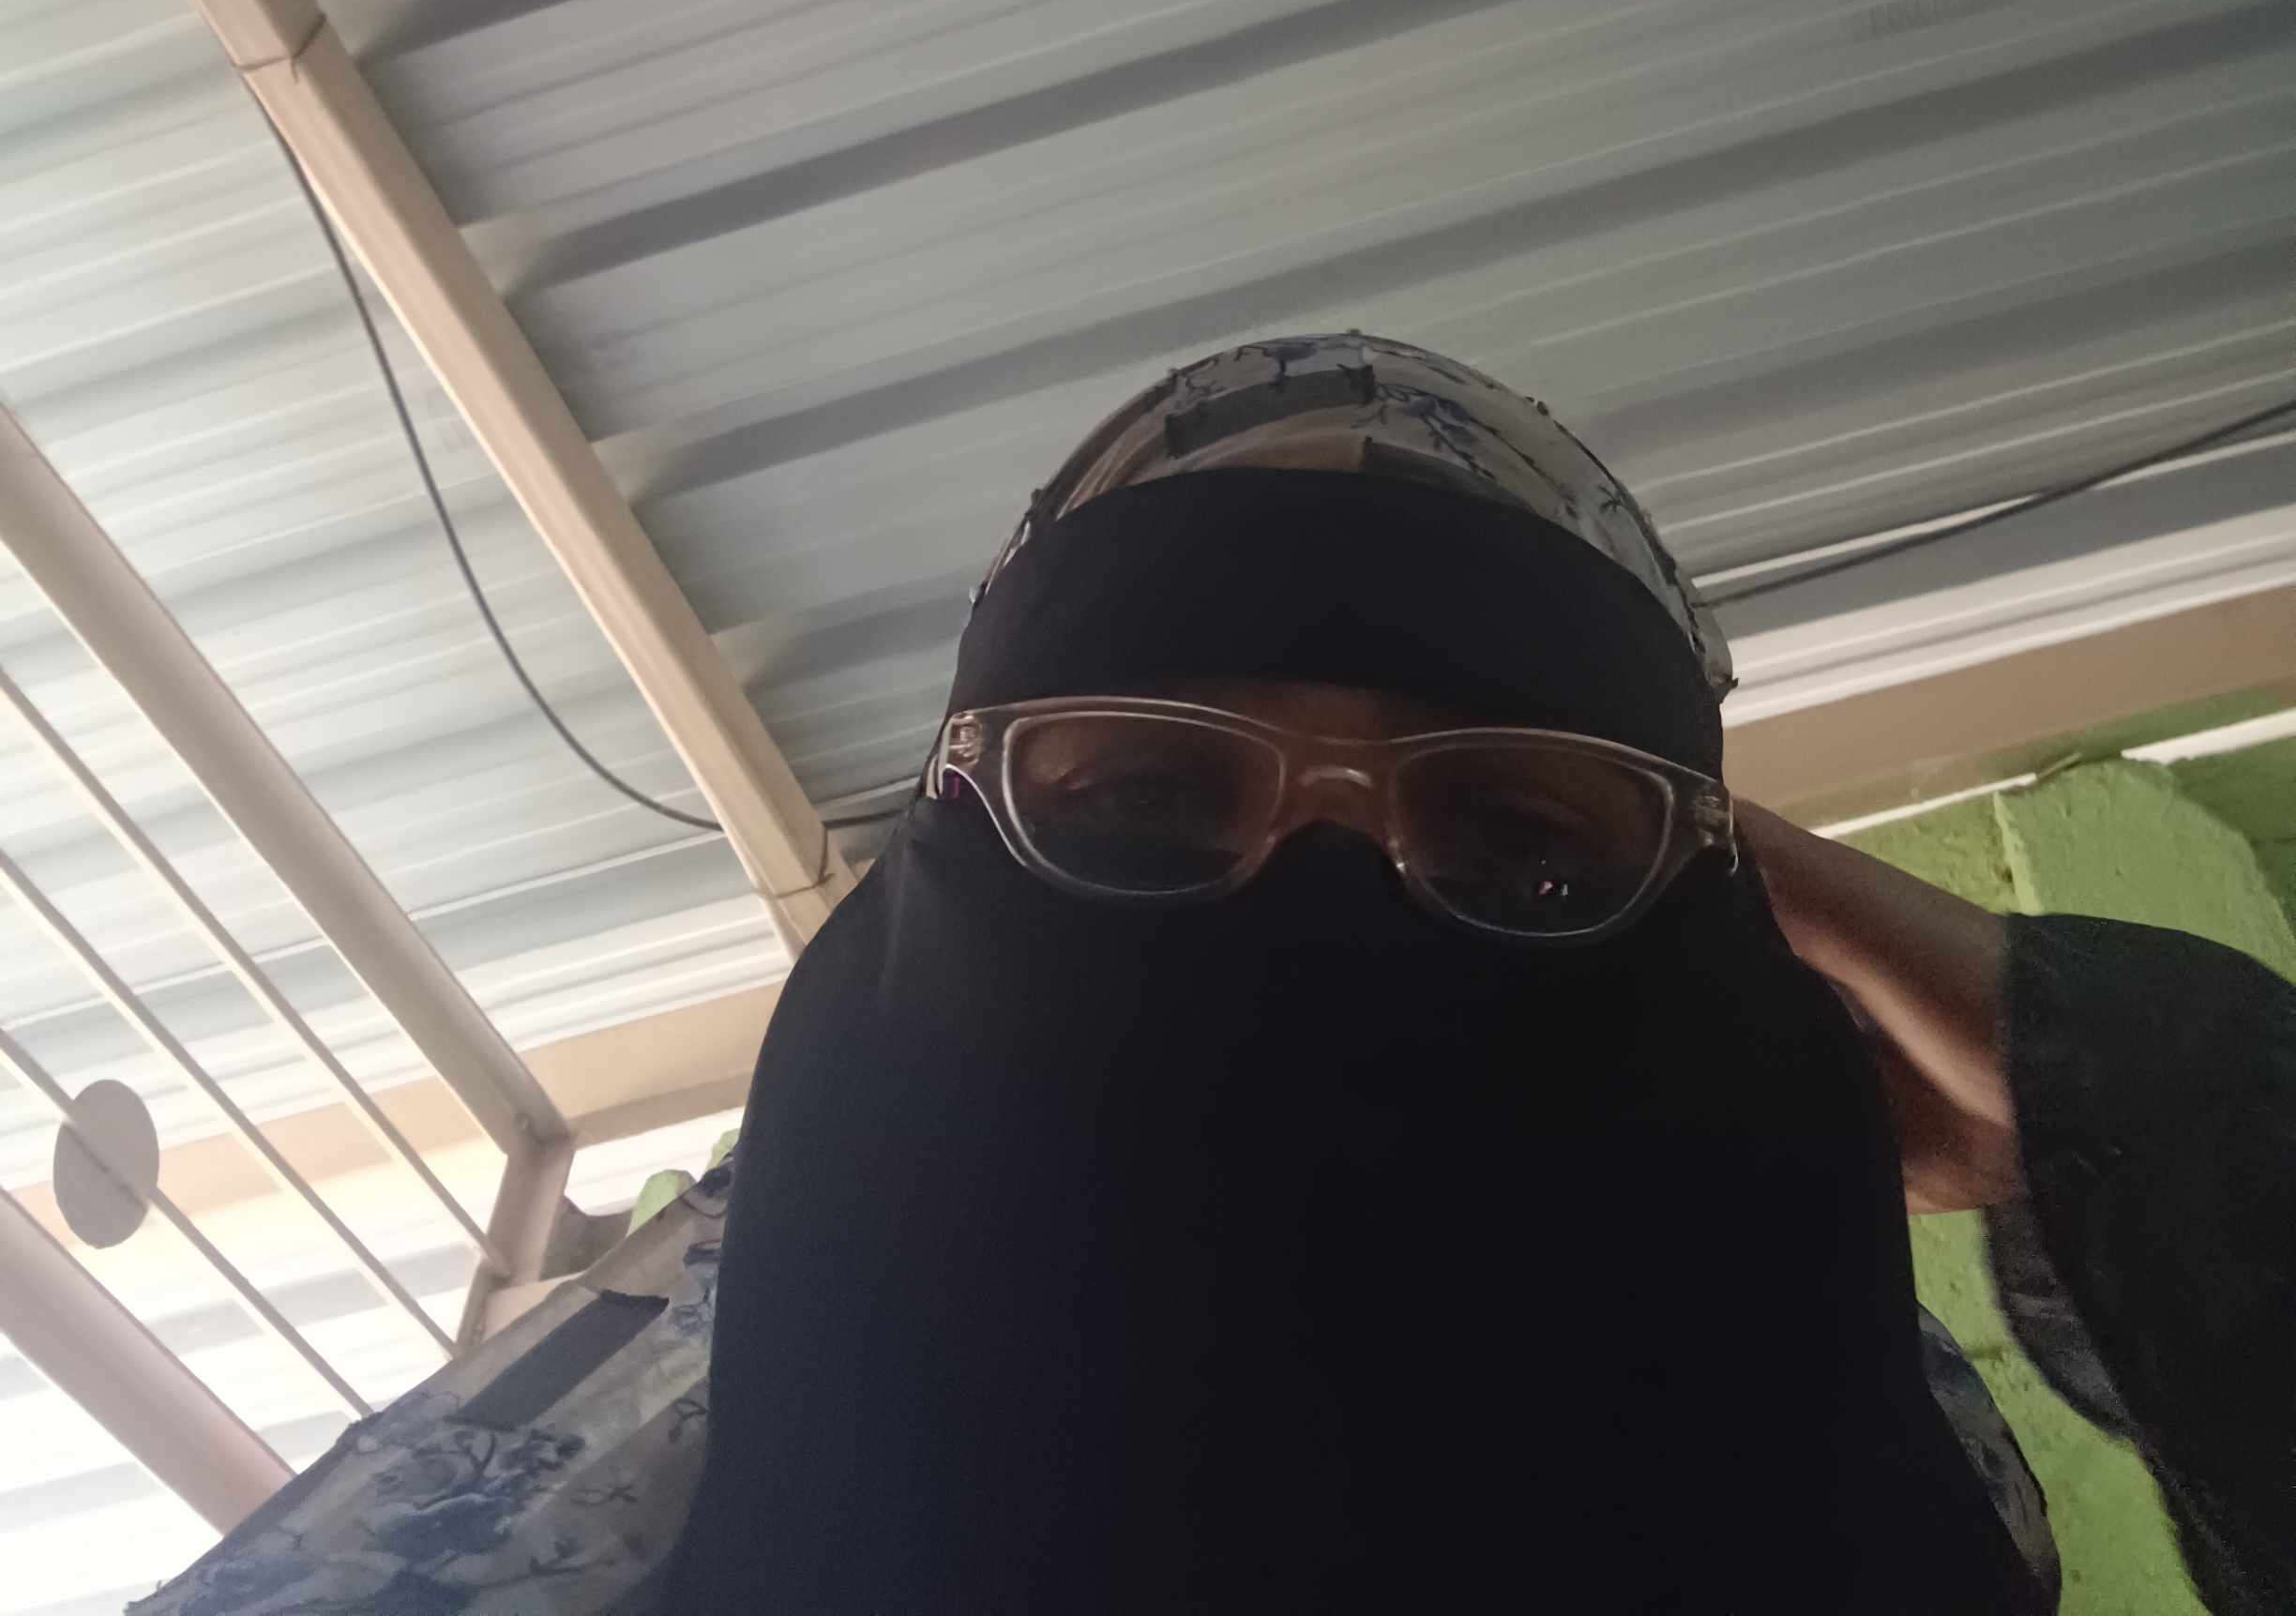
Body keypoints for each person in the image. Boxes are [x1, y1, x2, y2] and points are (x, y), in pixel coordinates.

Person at [139, 336, 2292, 1615]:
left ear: (1703, 917)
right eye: (1148, 796)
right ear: (949, 840)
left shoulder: (1867, 1455)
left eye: (1525, 835)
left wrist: (2122, 1087)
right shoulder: (557, 1503)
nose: (1322, 908)